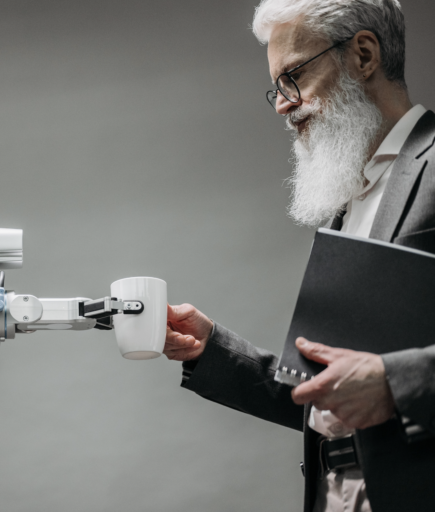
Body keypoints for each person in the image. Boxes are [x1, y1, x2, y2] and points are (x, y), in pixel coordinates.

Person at [163, 1, 435, 511]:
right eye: (277, 88)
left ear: (364, 54)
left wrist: (396, 383)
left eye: (294, 76)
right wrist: (212, 350)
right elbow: (329, 391)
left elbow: (376, 386)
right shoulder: (348, 200)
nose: (283, 105)